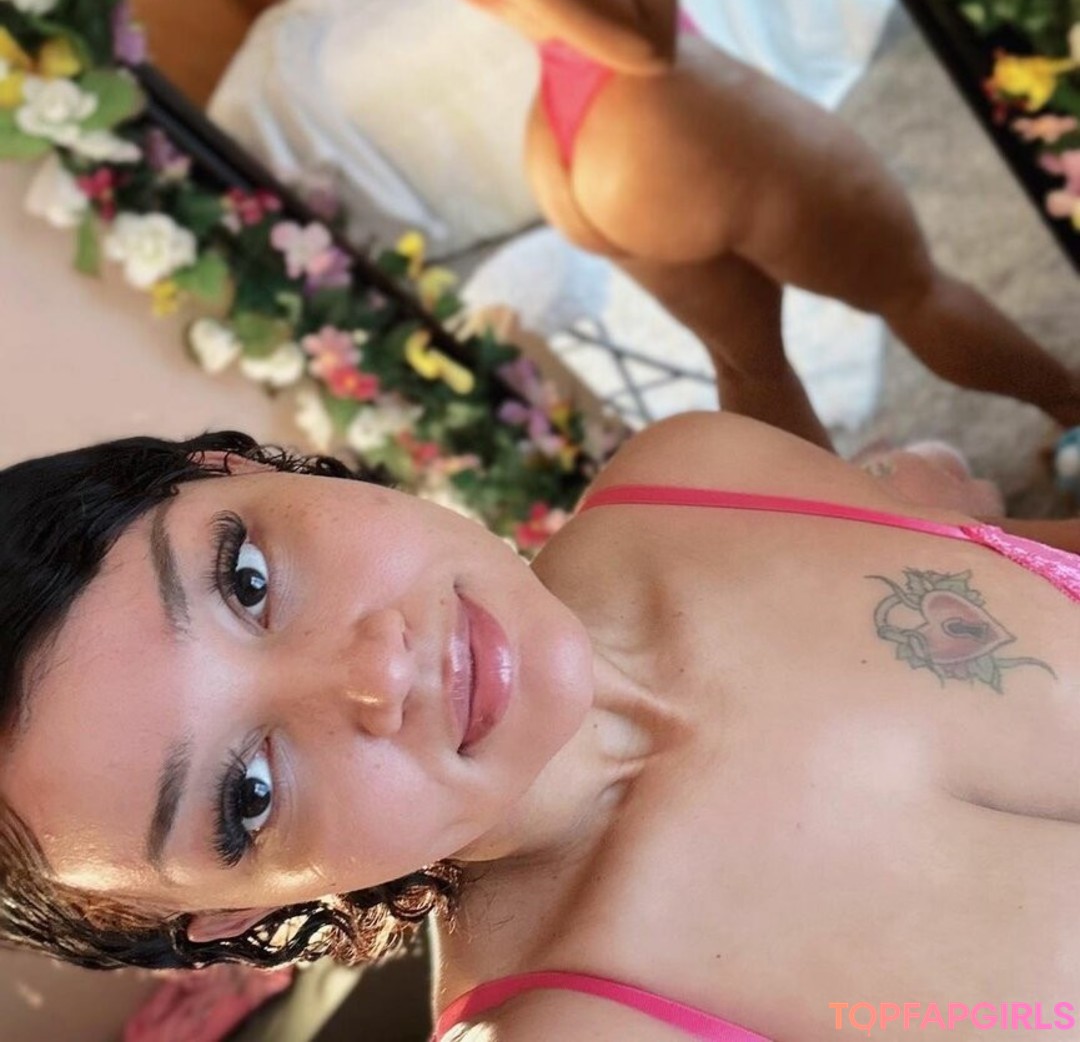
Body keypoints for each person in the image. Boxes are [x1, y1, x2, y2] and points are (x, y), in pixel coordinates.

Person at [1, 415, 1080, 1040]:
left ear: (235, 470)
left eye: (244, 578)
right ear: (244, 912)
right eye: (248, 794)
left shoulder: (690, 474)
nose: (378, 671)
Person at [175, 0, 1080, 452]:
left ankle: (836, 559)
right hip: (653, 115)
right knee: (913, 286)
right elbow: (640, 40)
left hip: (587, 143)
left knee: (752, 369)